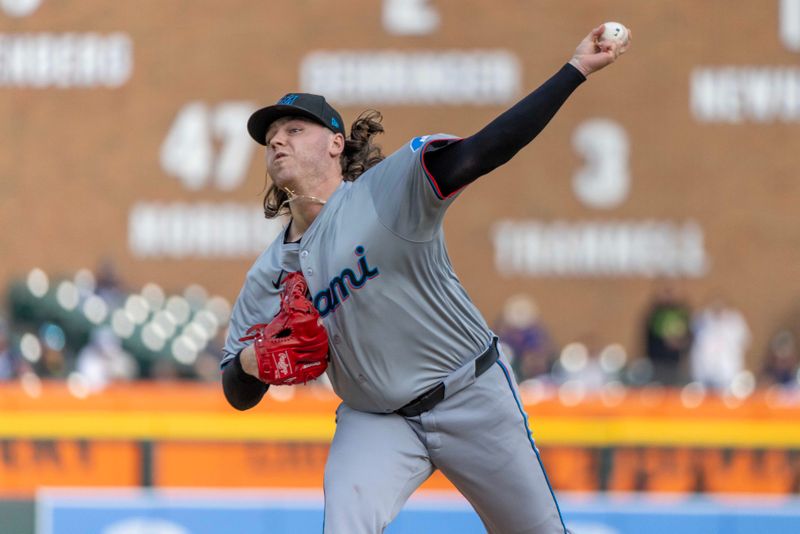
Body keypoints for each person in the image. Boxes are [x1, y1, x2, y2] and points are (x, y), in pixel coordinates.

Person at [221, 25, 630, 534]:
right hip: (376, 420)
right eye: (271, 136)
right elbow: (236, 391)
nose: (277, 139)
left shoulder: (387, 191)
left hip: (469, 393)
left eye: (294, 129)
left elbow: (486, 150)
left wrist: (574, 71)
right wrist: (249, 363)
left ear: (335, 143)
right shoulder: (268, 274)